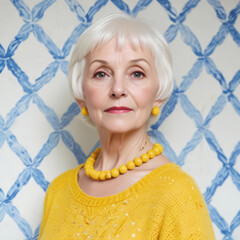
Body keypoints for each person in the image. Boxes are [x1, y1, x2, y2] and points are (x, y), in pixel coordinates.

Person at [38, 14, 215, 239]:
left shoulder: (177, 193)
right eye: (101, 73)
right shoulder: (57, 191)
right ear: (81, 95)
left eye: (137, 73)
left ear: (158, 95)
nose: (118, 89)